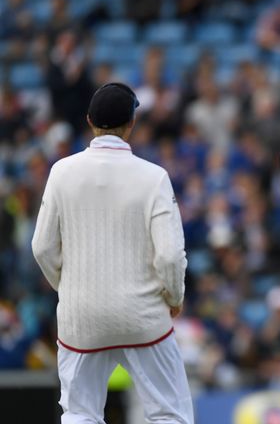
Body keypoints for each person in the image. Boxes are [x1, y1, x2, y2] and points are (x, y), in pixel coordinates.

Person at [31, 82, 193, 424]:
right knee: (169, 413)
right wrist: (174, 295)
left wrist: (70, 286)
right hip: (144, 317)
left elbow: (41, 247)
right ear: (132, 124)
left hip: (81, 318)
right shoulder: (154, 177)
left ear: (90, 121)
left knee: (79, 413)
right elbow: (169, 256)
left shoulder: (61, 172)